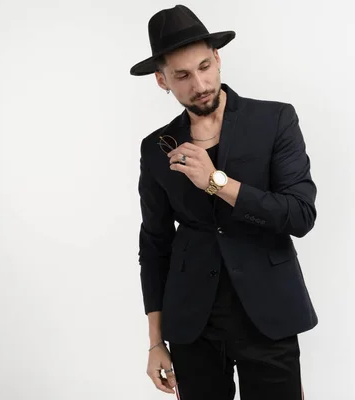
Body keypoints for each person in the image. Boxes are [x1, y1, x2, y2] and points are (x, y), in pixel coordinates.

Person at [130, 5, 318, 400]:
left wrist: (217, 182)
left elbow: (300, 214)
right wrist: (155, 342)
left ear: (217, 58)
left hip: (268, 313)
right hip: (192, 322)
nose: (199, 83)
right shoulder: (155, 148)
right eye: (182, 75)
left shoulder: (275, 121)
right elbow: (155, 245)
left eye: (204, 66)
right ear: (162, 80)